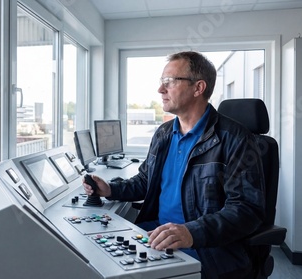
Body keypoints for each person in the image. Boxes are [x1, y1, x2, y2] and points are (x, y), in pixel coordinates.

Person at [83, 51, 265, 278]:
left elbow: (246, 210)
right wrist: (111, 190)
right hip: (160, 232)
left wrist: (191, 232)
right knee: (92, 258)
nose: (160, 90)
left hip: (207, 247)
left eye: (169, 82)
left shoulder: (236, 139)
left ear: (198, 88)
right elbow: (146, 181)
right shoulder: (164, 134)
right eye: (162, 82)